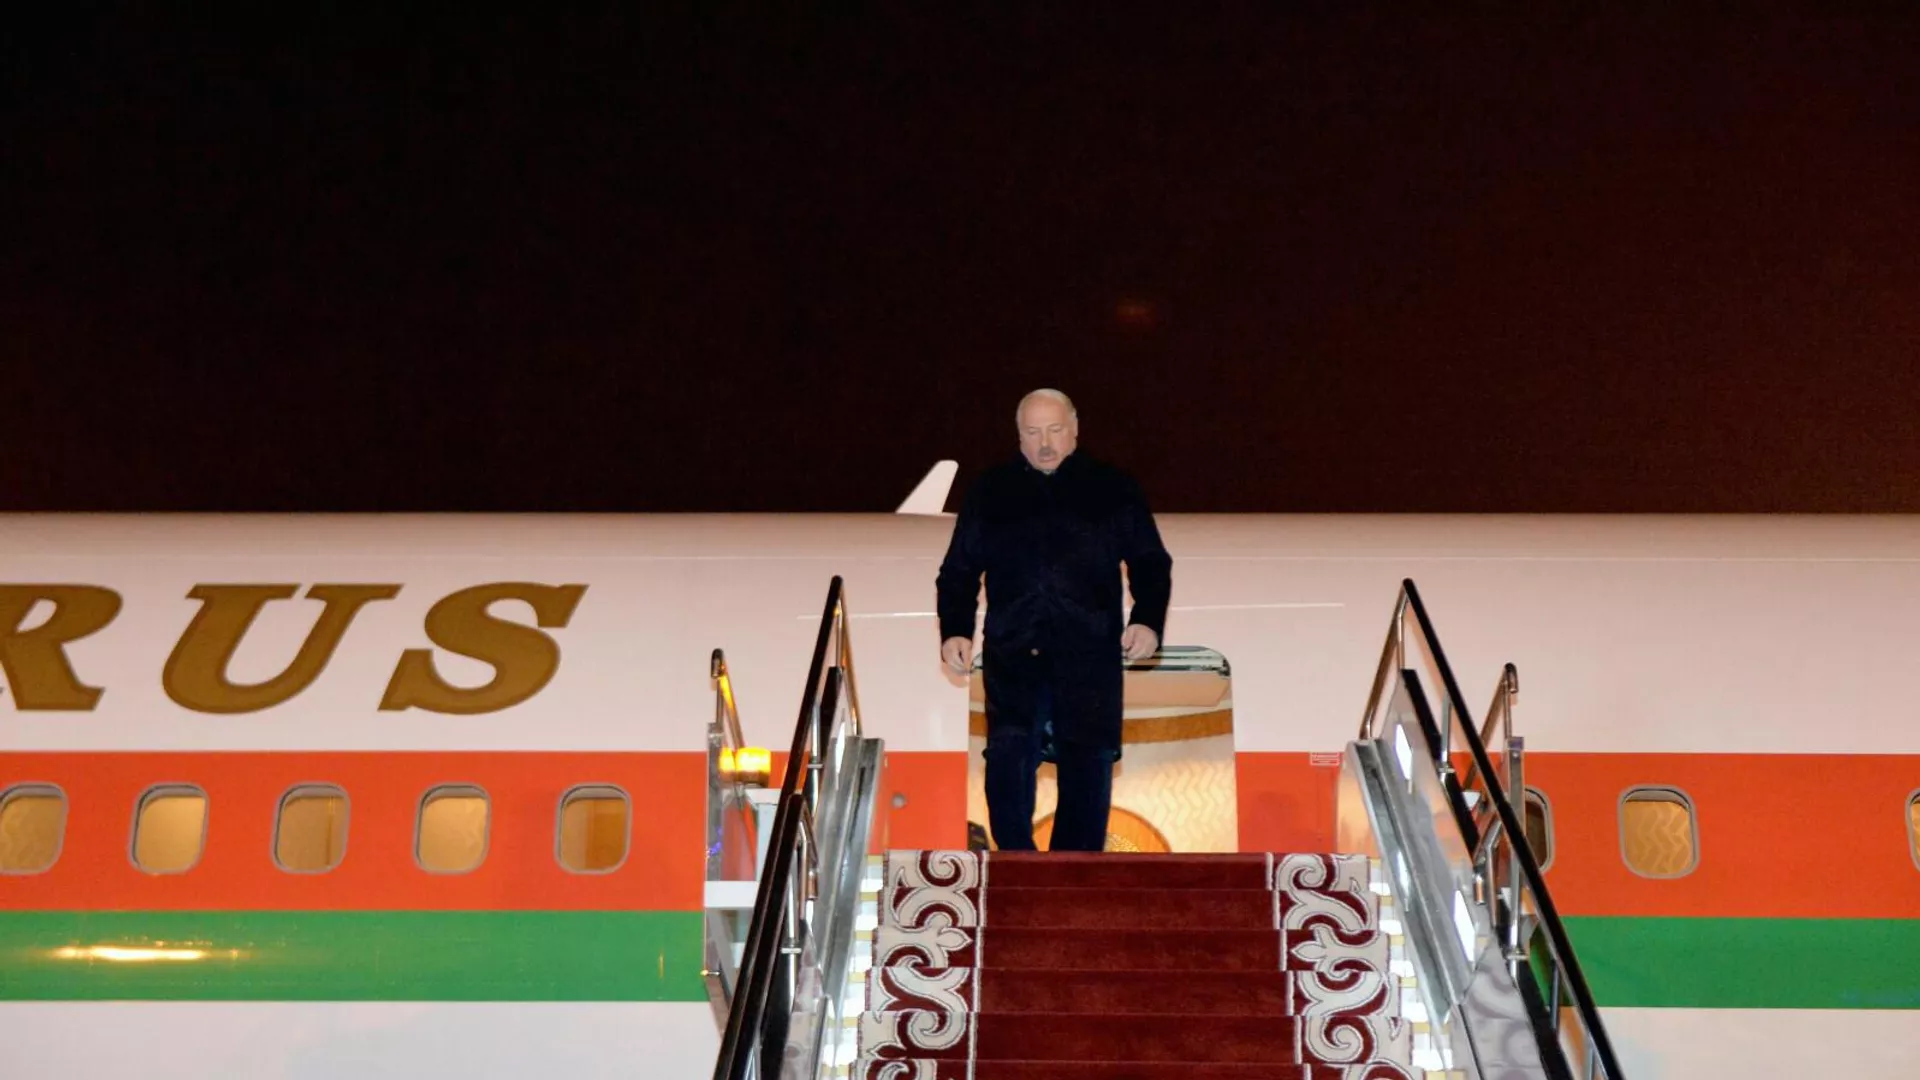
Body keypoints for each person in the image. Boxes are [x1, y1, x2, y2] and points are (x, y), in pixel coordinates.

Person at [935, 388, 1173, 852]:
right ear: (1018, 436)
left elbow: (1150, 561)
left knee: (1088, 759)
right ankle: (1016, 860)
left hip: (1089, 654)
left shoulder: (1114, 488)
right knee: (1007, 754)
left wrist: (1146, 619)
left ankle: (1075, 869)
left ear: (1075, 429)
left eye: (1055, 430)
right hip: (1013, 653)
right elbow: (957, 571)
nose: (1045, 443)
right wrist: (955, 630)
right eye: (1033, 432)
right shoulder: (991, 491)